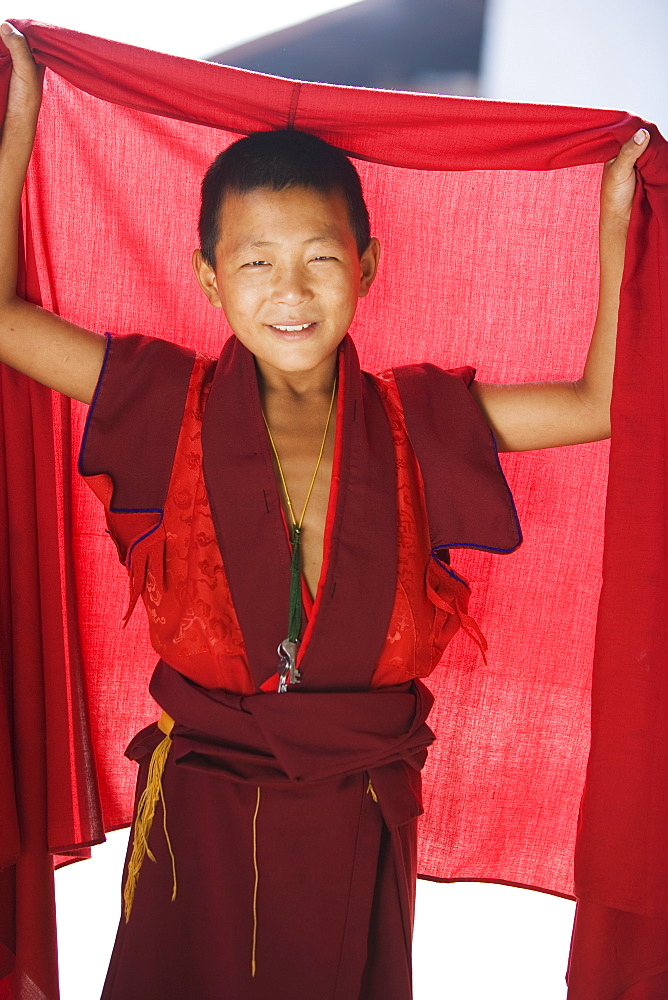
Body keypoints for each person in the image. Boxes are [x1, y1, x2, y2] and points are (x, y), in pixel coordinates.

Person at [0, 21, 650, 1000]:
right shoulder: (159, 401)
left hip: (358, 816)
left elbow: (601, 402)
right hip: (201, 824)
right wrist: (16, 132)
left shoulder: (419, 422)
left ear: (368, 265)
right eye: (255, 263)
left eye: (318, 257)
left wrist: (616, 221)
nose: (289, 291)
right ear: (209, 280)